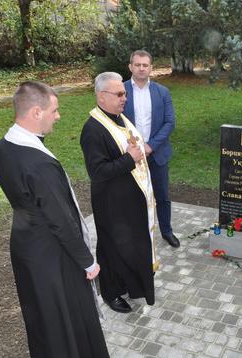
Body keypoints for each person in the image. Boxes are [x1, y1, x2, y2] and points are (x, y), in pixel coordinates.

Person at [0, 81, 109, 357]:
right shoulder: (39, 165)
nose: (58, 116)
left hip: (24, 247)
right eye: (54, 110)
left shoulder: (2, 149)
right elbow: (60, 220)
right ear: (35, 113)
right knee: (66, 320)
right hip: (53, 255)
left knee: (42, 318)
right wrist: (87, 261)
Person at [80, 72, 158, 313]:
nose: (125, 97)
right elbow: (97, 171)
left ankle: (130, 285)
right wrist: (130, 159)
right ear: (102, 97)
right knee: (112, 248)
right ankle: (111, 293)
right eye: (119, 94)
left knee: (130, 246)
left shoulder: (119, 118)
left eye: (124, 93)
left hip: (130, 201)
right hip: (111, 204)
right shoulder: (93, 129)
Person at [123, 50, 179, 248]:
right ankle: (135, 234)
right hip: (129, 155)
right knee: (132, 198)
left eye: (145, 65)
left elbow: (170, 122)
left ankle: (167, 231)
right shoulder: (121, 91)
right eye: (137, 64)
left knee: (162, 196)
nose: (141, 68)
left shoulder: (162, 92)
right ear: (130, 67)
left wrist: (150, 146)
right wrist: (134, 148)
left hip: (157, 154)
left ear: (151, 68)